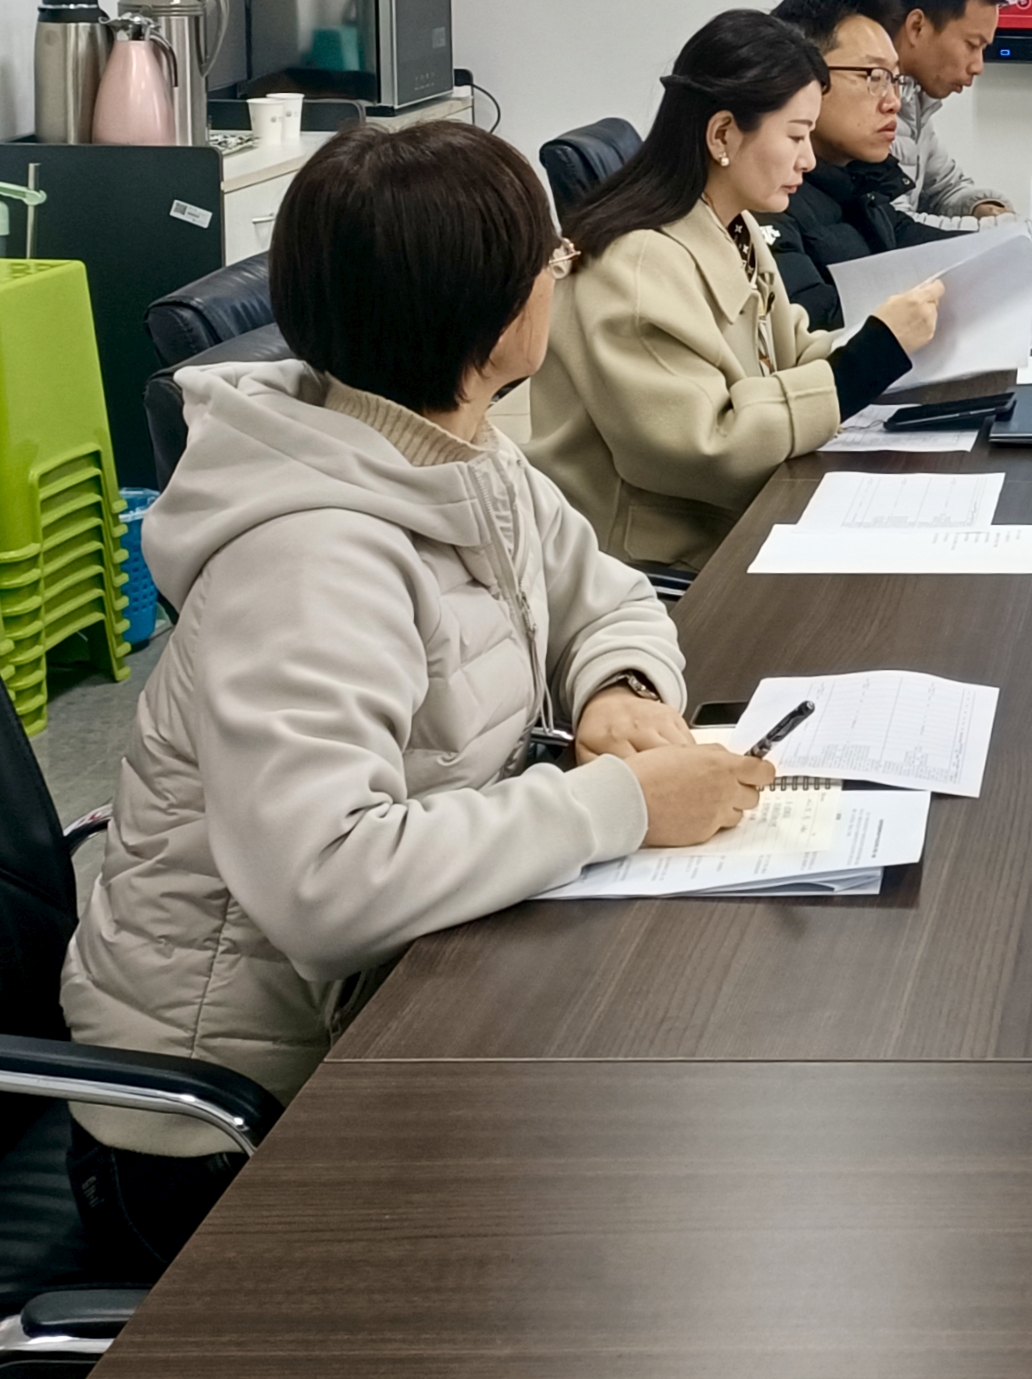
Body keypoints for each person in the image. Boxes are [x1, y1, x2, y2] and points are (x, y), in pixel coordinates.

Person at [59, 123, 776, 1279]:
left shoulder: (454, 449)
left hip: (394, 999)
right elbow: (328, 882)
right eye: (550, 258)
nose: (563, 270)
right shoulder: (309, 559)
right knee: (637, 1233)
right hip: (224, 1131)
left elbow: (605, 594)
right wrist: (624, 806)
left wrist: (618, 687)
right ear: (490, 323)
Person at [529, 11, 944, 574]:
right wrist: (862, 365)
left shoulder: (733, 223)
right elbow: (706, 447)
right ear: (723, 134)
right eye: (795, 135)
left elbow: (789, 351)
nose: (808, 159)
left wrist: (900, 350)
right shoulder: (637, 263)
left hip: (732, 523)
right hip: (659, 563)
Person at [764, 0, 920, 329]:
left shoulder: (854, 182)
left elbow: (914, 241)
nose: (893, 102)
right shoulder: (764, 194)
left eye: (896, 79)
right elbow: (809, 324)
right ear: (802, 74)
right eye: (875, 76)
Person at [886, 0, 1011, 221]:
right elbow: (895, 227)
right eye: (972, 45)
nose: (978, 66)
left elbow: (944, 189)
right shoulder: (867, 105)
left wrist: (985, 209)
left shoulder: (913, 98)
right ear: (917, 27)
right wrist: (1011, 231)